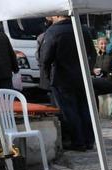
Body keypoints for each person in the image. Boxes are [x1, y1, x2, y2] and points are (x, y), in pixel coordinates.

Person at [40, 14, 96, 151]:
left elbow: (45, 58)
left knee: (69, 111)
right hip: (82, 77)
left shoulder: (53, 31)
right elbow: (93, 53)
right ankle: (89, 140)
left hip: (62, 78)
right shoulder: (83, 29)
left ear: (57, 15)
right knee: (85, 109)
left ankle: (78, 141)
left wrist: (47, 78)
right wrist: (88, 69)